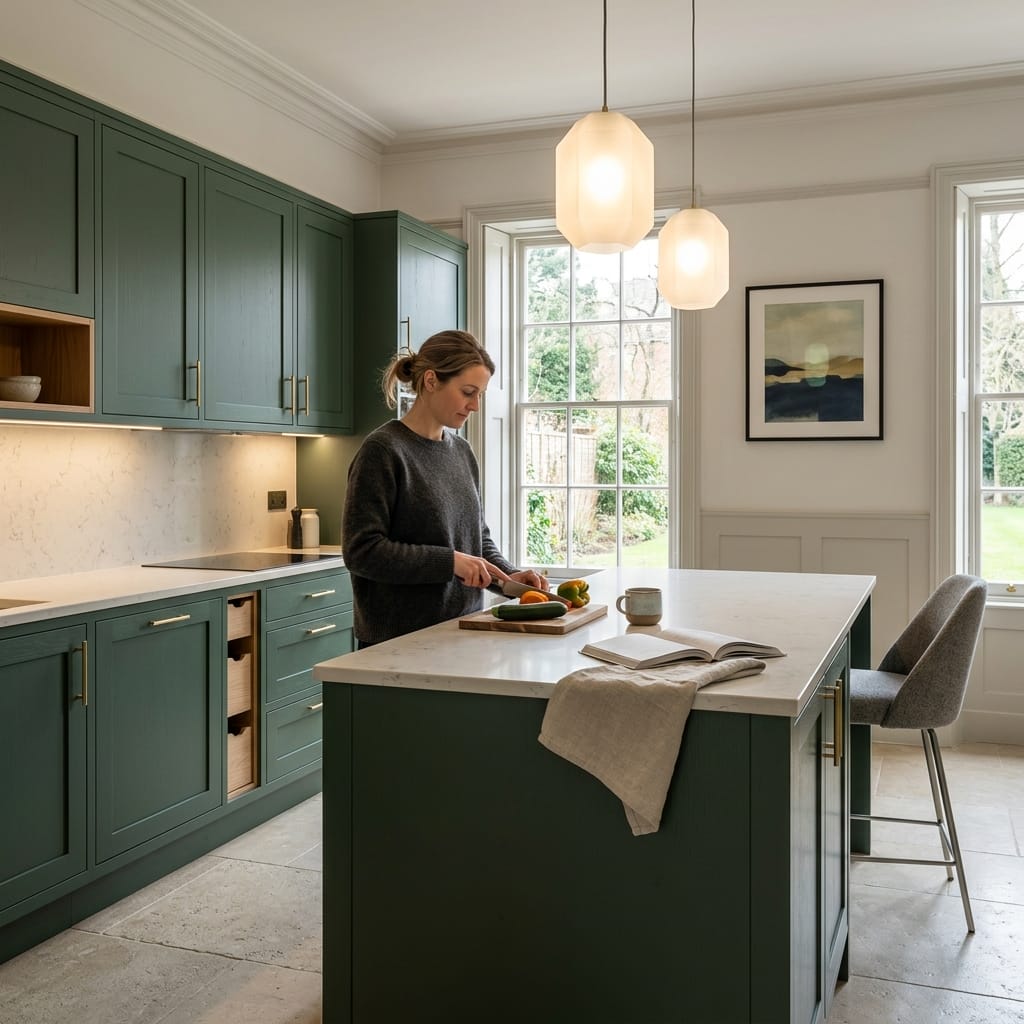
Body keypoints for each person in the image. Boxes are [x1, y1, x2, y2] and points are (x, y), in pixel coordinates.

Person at [342, 329, 549, 646]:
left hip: (463, 632)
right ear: (430, 381)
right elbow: (362, 552)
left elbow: (475, 538)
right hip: (398, 644)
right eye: (468, 392)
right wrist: (450, 562)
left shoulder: (462, 452)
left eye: (480, 394)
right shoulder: (383, 451)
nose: (475, 406)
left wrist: (509, 578)